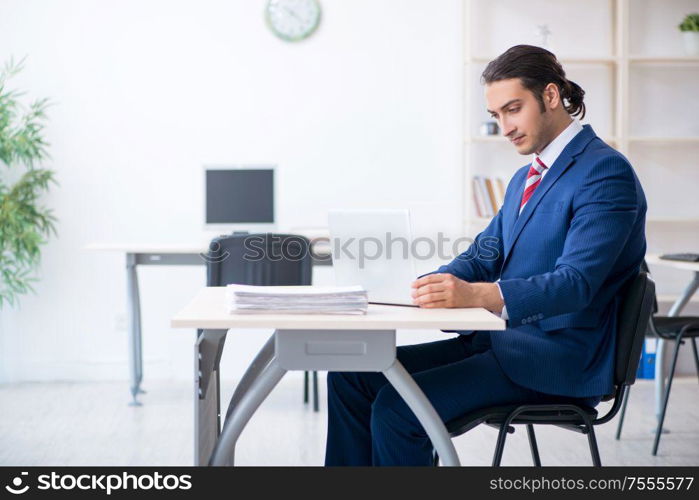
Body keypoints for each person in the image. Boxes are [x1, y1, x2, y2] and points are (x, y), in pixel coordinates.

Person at [324, 45, 647, 466]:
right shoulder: (525, 177)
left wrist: (476, 296)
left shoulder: (604, 172)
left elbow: (576, 284)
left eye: (513, 109)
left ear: (550, 96)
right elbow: (483, 255)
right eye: (496, 115)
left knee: (398, 410)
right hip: (500, 345)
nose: (505, 127)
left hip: (553, 359)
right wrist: (427, 286)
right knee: (352, 374)